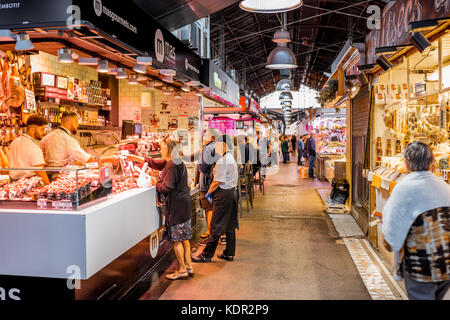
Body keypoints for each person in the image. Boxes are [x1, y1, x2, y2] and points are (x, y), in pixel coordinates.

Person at [382, 141, 450, 300]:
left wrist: (389, 241)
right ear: (432, 163)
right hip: (447, 263)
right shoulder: (444, 187)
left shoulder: (404, 188)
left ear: (406, 163)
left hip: (421, 264)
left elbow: (392, 229)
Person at [128, 137, 193, 280]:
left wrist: (153, 182)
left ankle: (181, 269)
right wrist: (136, 158)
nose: (161, 149)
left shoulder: (172, 165)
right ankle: (188, 266)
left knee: (176, 240)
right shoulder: (175, 161)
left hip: (176, 206)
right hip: (184, 205)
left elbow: (166, 187)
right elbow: (155, 163)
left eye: (162, 147)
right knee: (185, 238)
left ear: (168, 148)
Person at [192, 134, 239, 263]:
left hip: (223, 195)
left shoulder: (223, 160)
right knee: (229, 225)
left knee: (215, 225)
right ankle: (229, 253)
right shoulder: (230, 158)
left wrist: (208, 192)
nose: (215, 147)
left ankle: (206, 255)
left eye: (217, 144)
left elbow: (217, 181)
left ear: (224, 146)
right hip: (231, 193)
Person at [40, 112, 117, 169]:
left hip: (48, 171)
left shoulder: (48, 136)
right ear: (69, 123)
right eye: (76, 122)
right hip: (59, 173)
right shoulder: (68, 140)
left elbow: (40, 152)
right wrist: (111, 158)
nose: (78, 125)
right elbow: (88, 160)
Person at [189, 128, 220, 242]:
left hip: (207, 182)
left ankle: (210, 233)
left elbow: (203, 167)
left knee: (208, 208)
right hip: (214, 182)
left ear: (212, 138)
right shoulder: (217, 147)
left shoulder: (208, 148)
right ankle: (213, 233)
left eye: (206, 136)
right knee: (212, 207)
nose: (204, 137)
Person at [9, 115, 50, 184]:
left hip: (13, 183)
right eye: (42, 129)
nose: (44, 133)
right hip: (28, 183)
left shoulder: (14, 142)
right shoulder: (34, 148)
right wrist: (48, 186)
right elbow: (40, 172)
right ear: (32, 129)